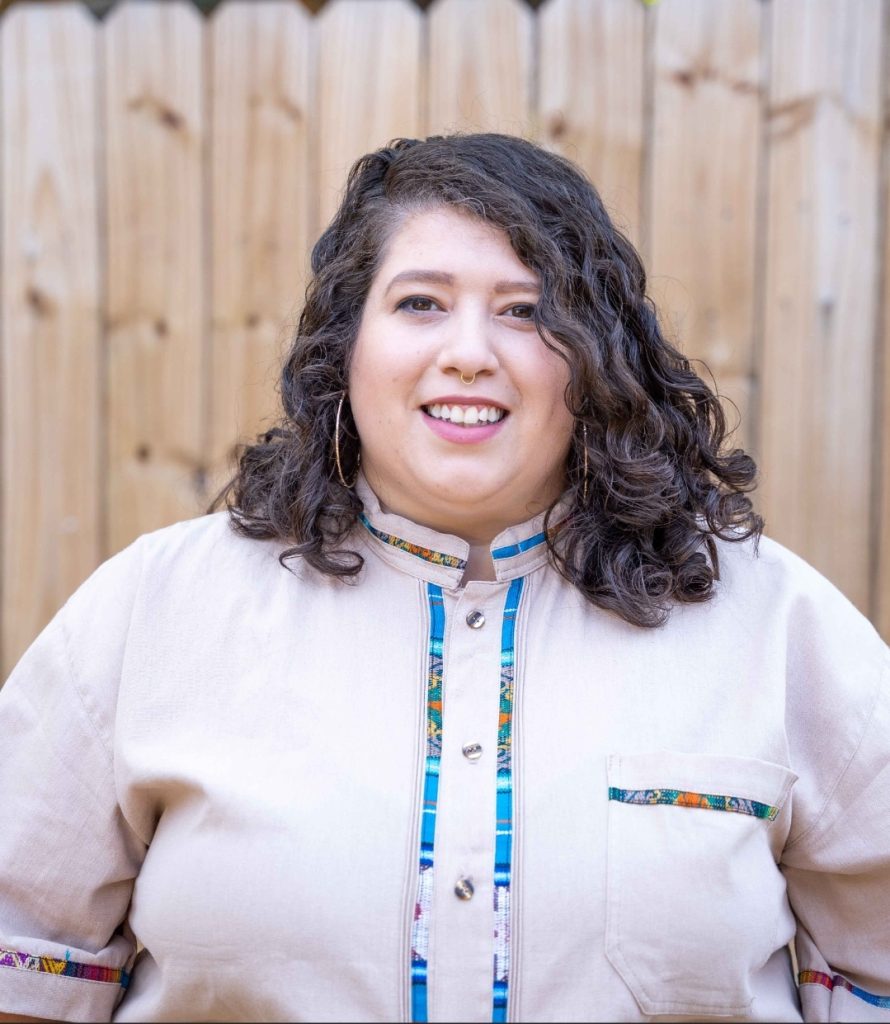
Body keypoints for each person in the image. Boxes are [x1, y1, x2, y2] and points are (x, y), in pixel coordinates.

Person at [0, 133, 888, 1024]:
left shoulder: (775, 626)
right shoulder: (156, 613)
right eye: (420, 302)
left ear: (596, 356)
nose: (469, 352)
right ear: (345, 348)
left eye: (525, 310)